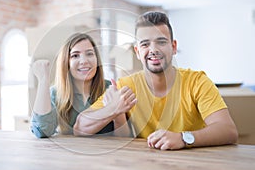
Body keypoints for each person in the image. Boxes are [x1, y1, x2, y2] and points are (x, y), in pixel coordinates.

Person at [73, 11, 238, 150]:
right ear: (137, 51)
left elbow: (228, 130)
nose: (153, 50)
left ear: (173, 47)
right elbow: (79, 128)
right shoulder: (125, 86)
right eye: (145, 44)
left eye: (161, 42)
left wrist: (182, 138)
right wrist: (112, 109)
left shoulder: (197, 82)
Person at [30, 32, 130, 138]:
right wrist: (43, 81)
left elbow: (124, 137)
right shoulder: (56, 93)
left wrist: (118, 114)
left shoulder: (109, 88)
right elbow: (42, 131)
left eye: (89, 54)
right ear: (66, 62)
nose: (84, 61)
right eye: (75, 55)